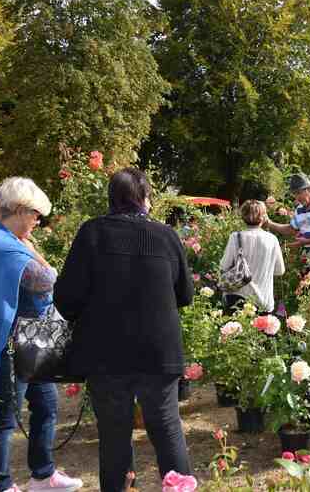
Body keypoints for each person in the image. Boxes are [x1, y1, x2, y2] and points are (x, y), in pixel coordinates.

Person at [53, 168, 193, 492]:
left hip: (105, 354)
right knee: (167, 428)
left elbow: (66, 299)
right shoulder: (166, 235)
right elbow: (184, 295)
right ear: (145, 198)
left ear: (111, 198)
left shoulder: (92, 233)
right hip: (158, 350)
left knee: (114, 435)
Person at [0, 177, 83, 492]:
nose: (37, 221)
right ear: (16, 209)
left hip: (31, 337)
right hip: (9, 345)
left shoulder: (5, 238)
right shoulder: (5, 245)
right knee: (3, 416)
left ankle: (42, 475)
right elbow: (44, 281)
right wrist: (45, 262)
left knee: (45, 404)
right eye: (35, 214)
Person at [220, 200, 285, 313]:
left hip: (237, 298)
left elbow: (224, 266)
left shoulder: (235, 237)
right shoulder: (272, 239)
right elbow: (280, 271)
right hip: (263, 300)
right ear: (263, 217)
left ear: (243, 216)